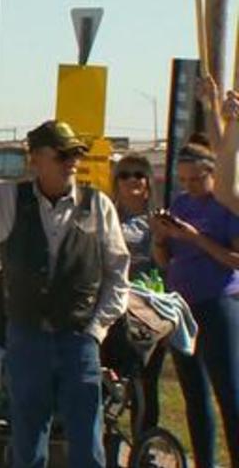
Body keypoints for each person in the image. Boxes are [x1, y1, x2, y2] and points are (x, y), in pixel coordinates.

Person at [0, 110, 130, 468]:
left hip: (79, 340)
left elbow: (117, 276)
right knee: (28, 440)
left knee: (86, 442)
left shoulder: (98, 206)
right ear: (36, 160)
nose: (71, 163)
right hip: (27, 339)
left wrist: (96, 330)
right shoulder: (10, 201)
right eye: (62, 155)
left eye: (75, 154)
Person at [152, 140, 239, 466]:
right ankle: (205, 461)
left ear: (212, 174)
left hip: (218, 302)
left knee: (228, 391)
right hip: (182, 304)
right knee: (194, 392)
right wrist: (161, 236)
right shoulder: (180, 204)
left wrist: (195, 238)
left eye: (196, 180)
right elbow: (163, 260)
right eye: (184, 180)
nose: (190, 187)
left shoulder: (225, 207)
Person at [110, 153, 166, 434]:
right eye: (124, 174)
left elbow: (166, 264)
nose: (132, 180)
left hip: (147, 309)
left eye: (139, 175)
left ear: (148, 183)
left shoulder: (157, 219)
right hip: (111, 307)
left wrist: (158, 238)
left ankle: (146, 444)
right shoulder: (106, 216)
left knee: (145, 381)